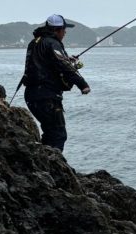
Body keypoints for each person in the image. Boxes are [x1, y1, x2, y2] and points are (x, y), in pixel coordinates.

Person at [23, 14, 90, 151]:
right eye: (64, 30)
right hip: (46, 96)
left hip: (31, 95)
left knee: (50, 133)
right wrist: (83, 85)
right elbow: (63, 66)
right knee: (58, 135)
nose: (65, 33)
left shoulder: (35, 42)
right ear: (57, 30)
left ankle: (43, 163)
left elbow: (43, 64)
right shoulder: (53, 43)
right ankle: (52, 167)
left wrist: (65, 59)